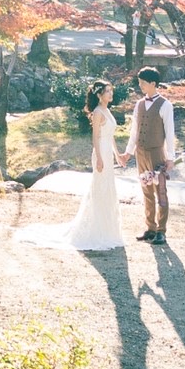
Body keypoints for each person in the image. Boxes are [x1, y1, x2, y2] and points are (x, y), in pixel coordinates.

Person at [61, 79, 128, 250]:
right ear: (99, 95)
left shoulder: (107, 110)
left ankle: (108, 229)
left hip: (107, 152)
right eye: (107, 91)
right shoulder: (98, 112)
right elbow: (95, 137)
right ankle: (97, 230)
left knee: (108, 188)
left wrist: (118, 154)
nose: (110, 94)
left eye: (111, 91)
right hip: (100, 152)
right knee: (100, 188)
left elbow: (110, 135)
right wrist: (99, 158)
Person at [123, 66, 177, 243]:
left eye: (143, 83)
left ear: (153, 83)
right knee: (146, 191)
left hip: (156, 154)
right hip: (141, 154)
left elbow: (170, 133)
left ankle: (162, 230)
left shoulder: (165, 105)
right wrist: (128, 153)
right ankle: (150, 228)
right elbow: (134, 131)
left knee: (160, 191)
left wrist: (170, 157)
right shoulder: (139, 104)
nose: (141, 86)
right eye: (139, 83)